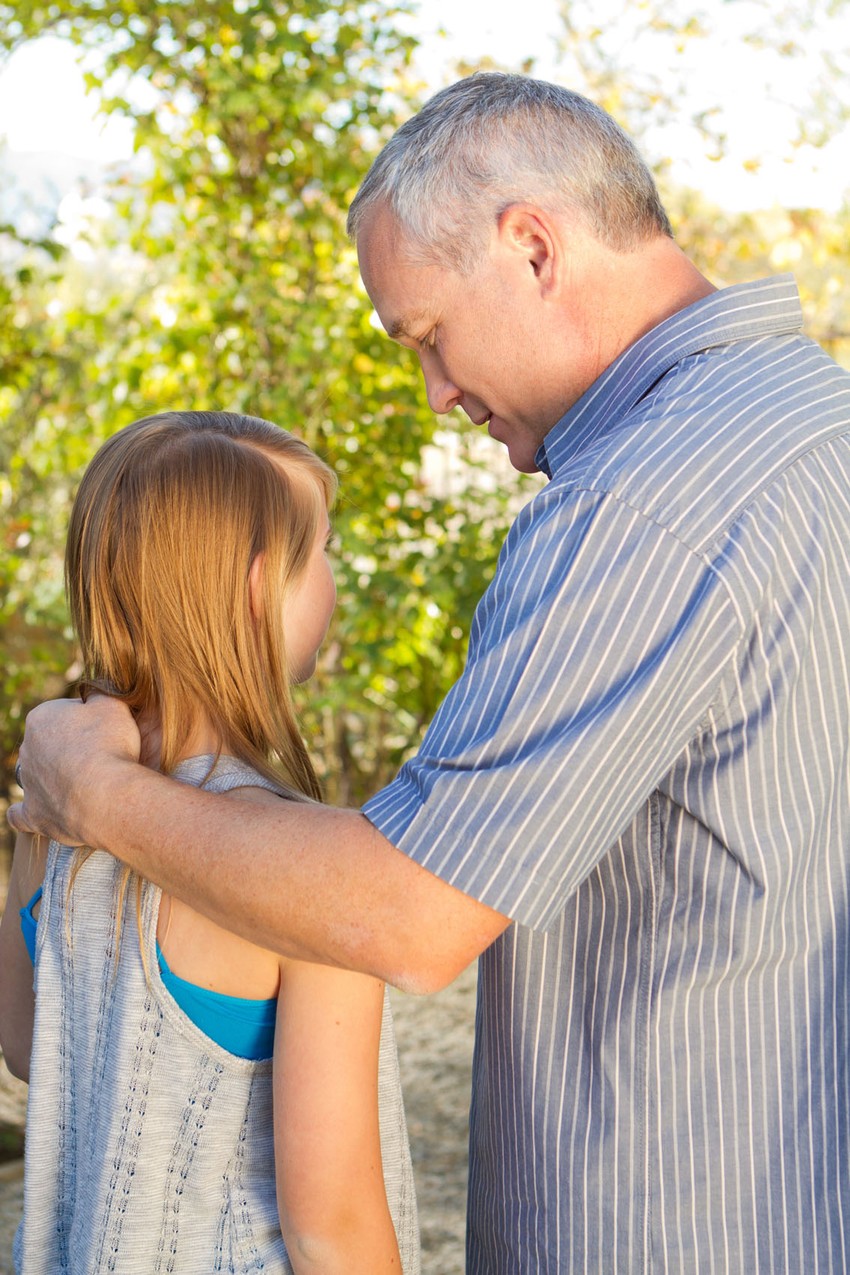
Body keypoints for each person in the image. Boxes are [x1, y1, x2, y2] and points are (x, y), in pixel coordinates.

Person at [10, 71, 850, 1272]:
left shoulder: (641, 505)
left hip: (672, 1226)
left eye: (428, 336)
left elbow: (406, 918)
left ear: (531, 246)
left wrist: (92, 797)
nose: (437, 392)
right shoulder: (813, 422)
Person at [0, 411, 419, 1274]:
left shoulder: (57, 801)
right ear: (261, 588)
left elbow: (27, 1046)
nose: (334, 577)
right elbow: (330, 1228)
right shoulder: (310, 868)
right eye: (326, 550)